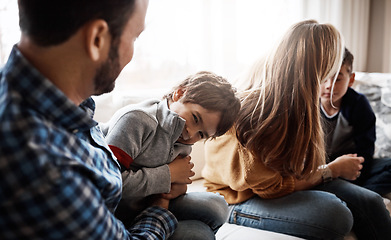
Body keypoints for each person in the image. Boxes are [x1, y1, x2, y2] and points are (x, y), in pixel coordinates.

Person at [0, 0, 180, 239]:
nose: (132, 53)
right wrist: (159, 211)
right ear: (97, 39)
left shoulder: (47, 97)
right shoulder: (49, 169)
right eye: (135, 37)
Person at [201, 20, 391, 239]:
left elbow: (297, 168)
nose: (328, 84)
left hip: (282, 180)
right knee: (336, 215)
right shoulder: (257, 110)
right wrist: (331, 171)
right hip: (239, 196)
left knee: (371, 201)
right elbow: (272, 187)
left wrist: (327, 172)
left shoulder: (300, 101)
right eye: (327, 73)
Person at [101, 71, 239, 240]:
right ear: (180, 93)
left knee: (218, 206)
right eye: (195, 118)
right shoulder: (136, 120)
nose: (190, 135)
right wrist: (168, 175)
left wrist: (176, 189)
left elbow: (168, 188)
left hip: (148, 205)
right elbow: (108, 183)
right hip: (118, 211)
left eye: (201, 134)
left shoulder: (184, 141)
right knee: (201, 235)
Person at [320, 47, 391, 196]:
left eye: (337, 79)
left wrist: (355, 177)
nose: (329, 85)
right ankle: (352, 194)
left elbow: (365, 152)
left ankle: (358, 194)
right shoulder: (307, 105)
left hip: (350, 168)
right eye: (323, 77)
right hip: (319, 169)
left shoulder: (358, 104)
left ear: (350, 80)